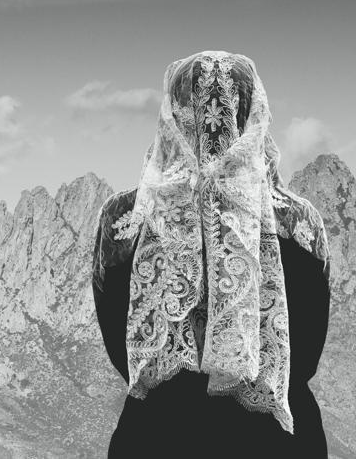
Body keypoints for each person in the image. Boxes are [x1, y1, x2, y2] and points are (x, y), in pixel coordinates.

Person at [92, 50, 331, 458]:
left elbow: (122, 350)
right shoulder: (297, 221)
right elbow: (307, 355)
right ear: (252, 114)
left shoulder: (125, 217)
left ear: (173, 114)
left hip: (157, 439)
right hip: (277, 441)